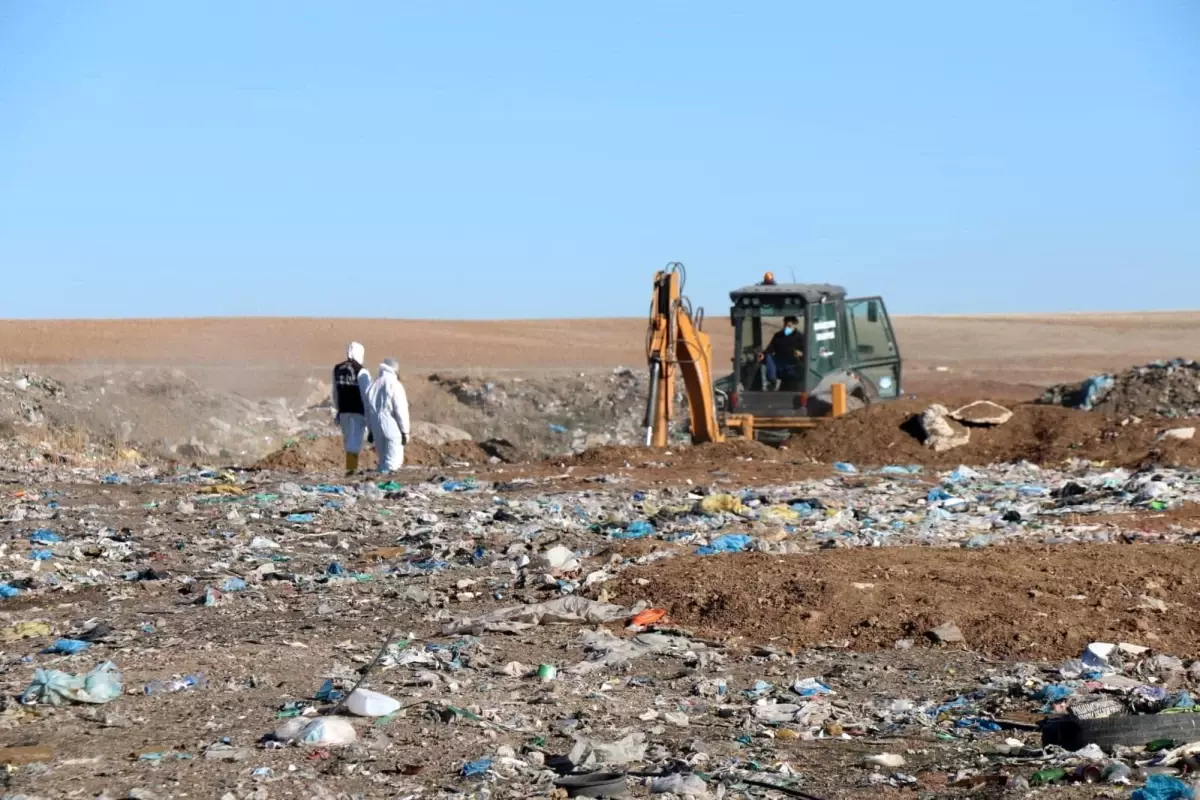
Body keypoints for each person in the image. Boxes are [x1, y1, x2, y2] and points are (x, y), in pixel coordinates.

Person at [332, 342, 372, 475]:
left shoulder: (337, 369)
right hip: (358, 411)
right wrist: (369, 413)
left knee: (348, 439)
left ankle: (350, 467)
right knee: (355, 441)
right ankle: (351, 468)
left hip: (343, 410)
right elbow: (366, 394)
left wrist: (338, 409)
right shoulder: (361, 371)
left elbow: (335, 392)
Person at [365, 358, 410, 473]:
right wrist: (405, 431)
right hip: (391, 424)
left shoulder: (373, 385)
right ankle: (388, 485)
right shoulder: (394, 385)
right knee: (393, 461)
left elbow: (368, 410)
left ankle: (380, 482)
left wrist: (370, 429)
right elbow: (401, 410)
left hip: (376, 425)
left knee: (382, 458)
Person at [763, 315, 804, 390]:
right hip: (779, 364)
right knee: (768, 357)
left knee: (801, 367)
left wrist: (801, 354)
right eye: (785, 325)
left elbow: (807, 353)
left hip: (792, 365)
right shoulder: (778, 336)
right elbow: (770, 349)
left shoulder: (800, 337)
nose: (786, 328)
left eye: (789, 326)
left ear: (795, 325)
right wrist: (763, 355)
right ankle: (773, 381)